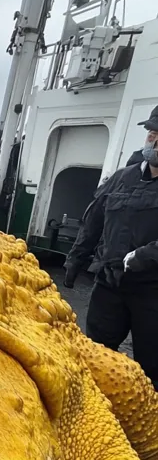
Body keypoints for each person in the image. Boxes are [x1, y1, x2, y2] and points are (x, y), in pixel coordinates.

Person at [63, 104, 158, 388]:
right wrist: (75, 259)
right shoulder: (122, 177)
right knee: (96, 354)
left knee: (151, 365)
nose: (154, 141)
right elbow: (94, 220)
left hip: (152, 292)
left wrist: (143, 257)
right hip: (109, 284)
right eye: (152, 133)